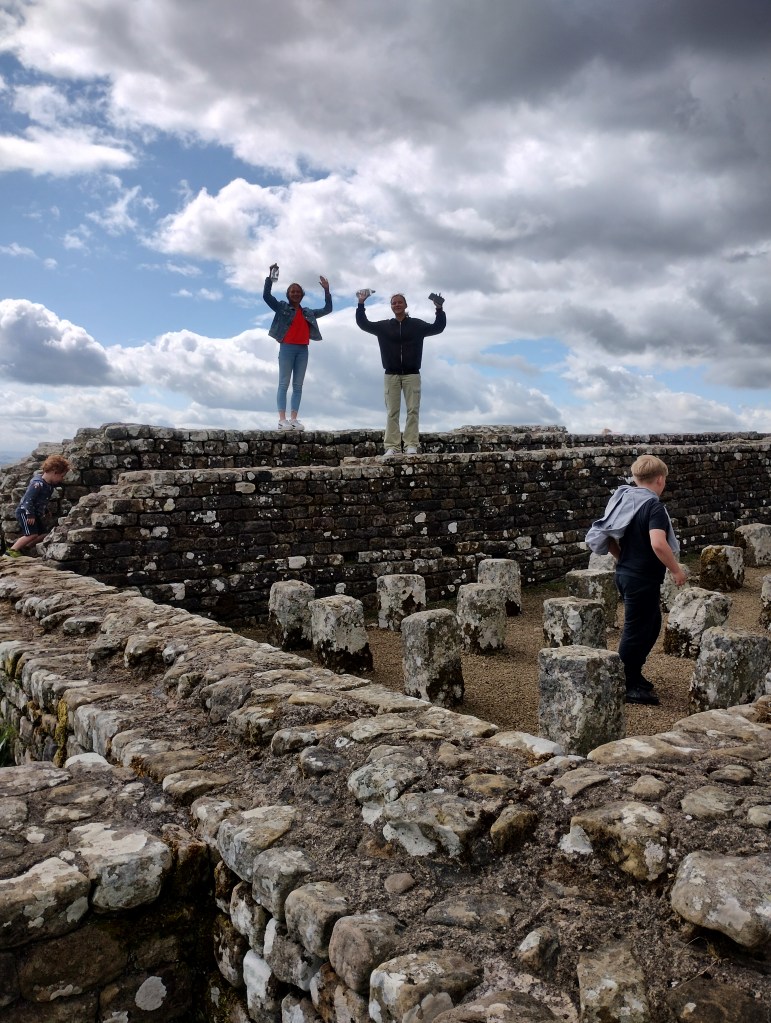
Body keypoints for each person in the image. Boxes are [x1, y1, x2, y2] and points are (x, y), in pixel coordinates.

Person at [587, 454, 686, 705]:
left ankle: (634, 673)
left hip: (629, 575)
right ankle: (626, 684)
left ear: (635, 478)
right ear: (660, 479)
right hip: (640, 579)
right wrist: (676, 570)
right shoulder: (654, 507)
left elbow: (607, 535)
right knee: (635, 631)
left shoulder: (623, 502)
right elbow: (658, 543)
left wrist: (622, 558)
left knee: (651, 625)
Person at [355, 290, 446, 458]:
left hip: (412, 374)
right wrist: (361, 303)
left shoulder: (417, 325)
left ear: (405, 305)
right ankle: (392, 446)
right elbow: (363, 323)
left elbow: (438, 327)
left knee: (413, 410)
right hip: (391, 374)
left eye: (400, 302)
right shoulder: (383, 327)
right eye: (394, 303)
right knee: (392, 412)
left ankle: (411, 444)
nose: (397, 305)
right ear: (391, 306)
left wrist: (439, 309)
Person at [263, 264, 332, 431]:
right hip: (287, 348)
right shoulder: (281, 307)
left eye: (298, 291)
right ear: (288, 294)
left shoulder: (308, 312)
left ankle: (293, 419)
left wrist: (326, 291)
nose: (295, 293)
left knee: (298, 386)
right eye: (292, 291)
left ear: (302, 295)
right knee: (283, 384)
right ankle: (282, 420)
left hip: (303, 350)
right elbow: (266, 296)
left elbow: (327, 309)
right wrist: (270, 278)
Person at [5, 454, 71, 557]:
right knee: (31, 534)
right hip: (25, 512)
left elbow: (41, 500)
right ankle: (10, 552)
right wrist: (30, 514)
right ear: (55, 472)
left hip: (34, 513)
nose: (61, 479)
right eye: (61, 476)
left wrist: (46, 510)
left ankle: (24, 549)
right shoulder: (37, 484)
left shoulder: (48, 485)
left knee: (43, 534)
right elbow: (27, 500)